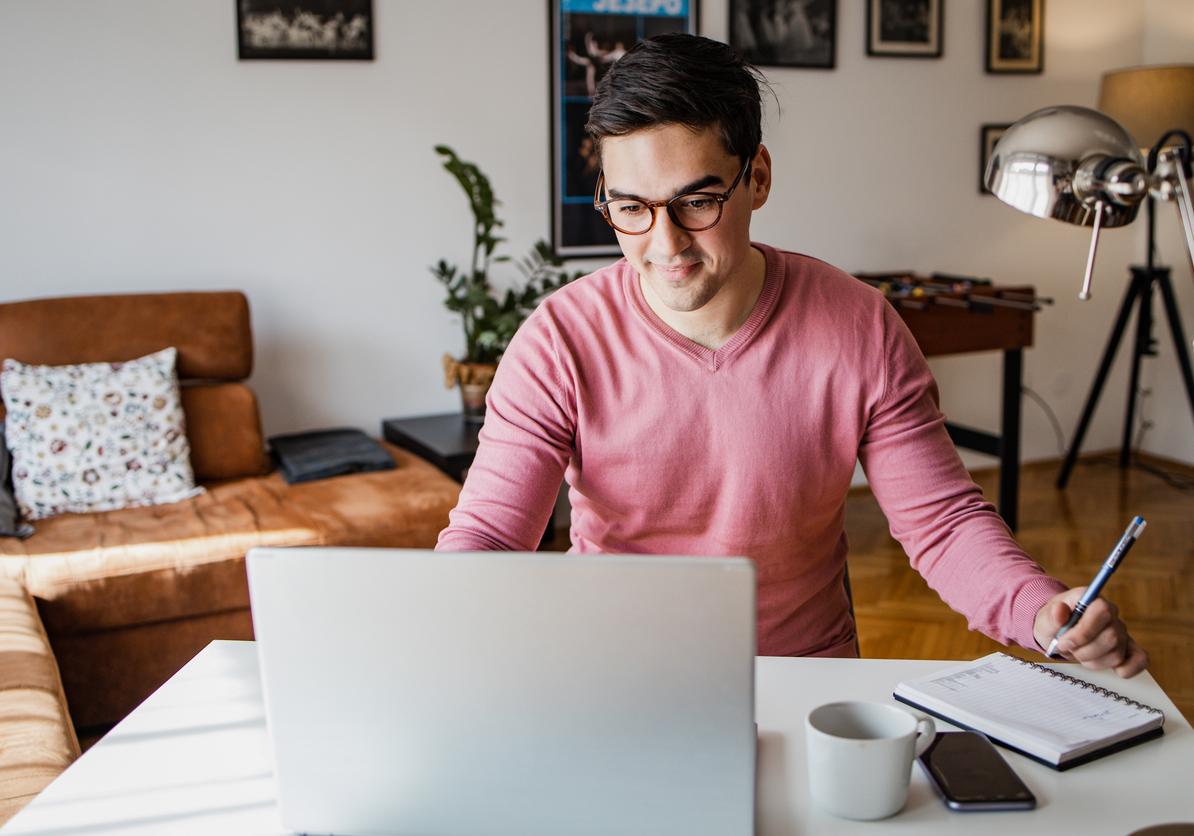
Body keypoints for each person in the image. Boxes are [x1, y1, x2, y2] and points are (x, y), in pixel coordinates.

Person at [437, 33, 1148, 679]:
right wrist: (431, 623)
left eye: (697, 202)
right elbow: (493, 534)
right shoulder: (560, 339)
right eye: (631, 208)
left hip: (804, 676)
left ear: (759, 178)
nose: (665, 245)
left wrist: (1038, 607)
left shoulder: (859, 324)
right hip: (613, 673)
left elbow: (943, 523)